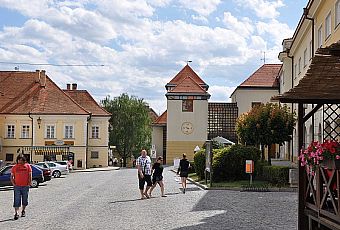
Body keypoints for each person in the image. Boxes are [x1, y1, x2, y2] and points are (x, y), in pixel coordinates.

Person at [11, 155, 32, 220]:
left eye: (21, 160)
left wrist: (29, 183)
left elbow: (30, 174)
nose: (20, 161)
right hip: (17, 186)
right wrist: (13, 184)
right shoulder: (14, 167)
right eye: (19, 160)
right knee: (17, 199)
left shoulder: (28, 166)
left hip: (25, 186)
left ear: (24, 160)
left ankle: (23, 210)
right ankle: (16, 213)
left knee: (25, 199)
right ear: (17, 160)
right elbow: (11, 176)